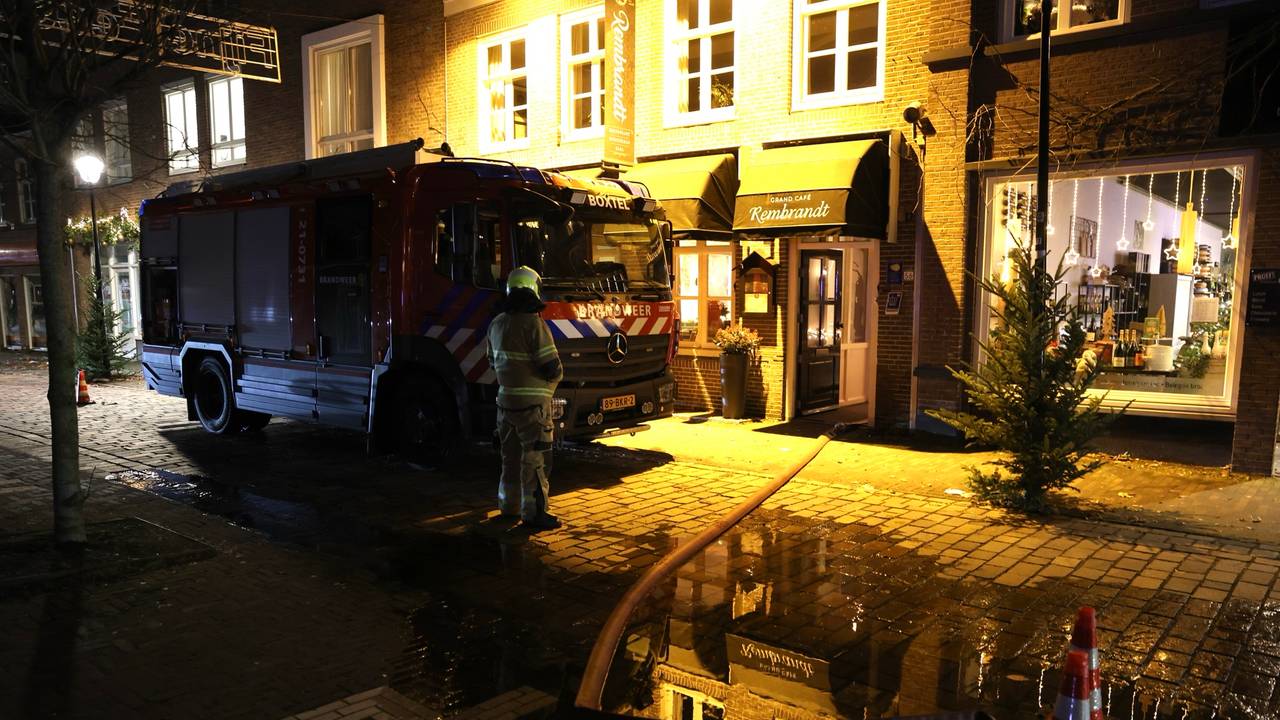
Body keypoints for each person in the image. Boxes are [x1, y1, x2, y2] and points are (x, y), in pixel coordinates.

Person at [487, 266, 563, 531]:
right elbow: (551, 366)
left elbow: (491, 363)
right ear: (534, 290)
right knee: (536, 462)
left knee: (509, 460)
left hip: (504, 405)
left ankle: (508, 507)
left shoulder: (496, 323)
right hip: (533, 409)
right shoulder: (534, 323)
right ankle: (534, 515)